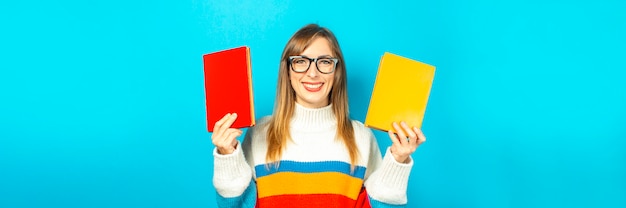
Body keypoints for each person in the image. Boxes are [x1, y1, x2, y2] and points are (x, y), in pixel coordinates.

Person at [211, 24, 426, 208]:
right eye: (300, 61)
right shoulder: (260, 134)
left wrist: (398, 159)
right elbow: (238, 205)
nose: (312, 73)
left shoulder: (361, 136)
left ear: (337, 71)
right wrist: (226, 155)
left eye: (324, 62)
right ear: (287, 71)